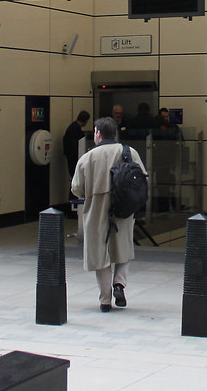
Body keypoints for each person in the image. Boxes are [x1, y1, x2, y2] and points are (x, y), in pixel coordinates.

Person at [71, 116, 147, 312]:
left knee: (100, 255)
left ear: (97, 134)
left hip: (96, 210)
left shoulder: (88, 157)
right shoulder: (130, 152)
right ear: (115, 133)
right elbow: (142, 179)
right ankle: (119, 284)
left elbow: (76, 189)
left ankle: (105, 300)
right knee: (123, 249)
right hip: (123, 208)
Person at [62, 110, 91, 182]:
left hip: (71, 158)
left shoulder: (72, 128)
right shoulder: (76, 130)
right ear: (85, 121)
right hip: (74, 159)